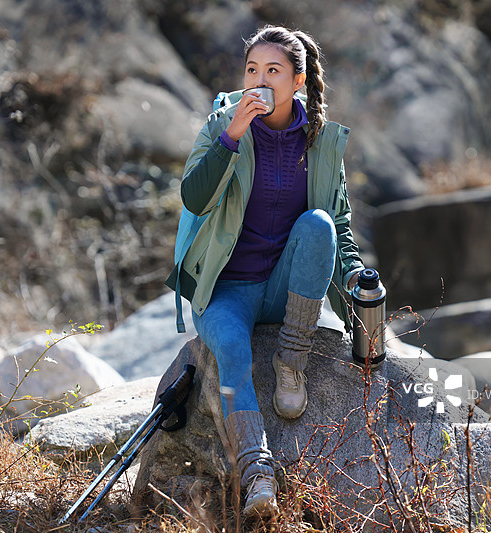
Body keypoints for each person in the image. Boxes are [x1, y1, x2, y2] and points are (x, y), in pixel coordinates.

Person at [165, 25, 365, 520]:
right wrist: (231, 136)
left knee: (316, 224)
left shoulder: (320, 139)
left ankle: (291, 359)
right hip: (226, 289)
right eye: (252, 69)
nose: (259, 80)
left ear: (297, 81)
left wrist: (357, 285)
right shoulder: (221, 124)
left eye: (273, 71)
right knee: (231, 348)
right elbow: (193, 198)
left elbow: (337, 223)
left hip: (283, 289)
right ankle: (257, 472)